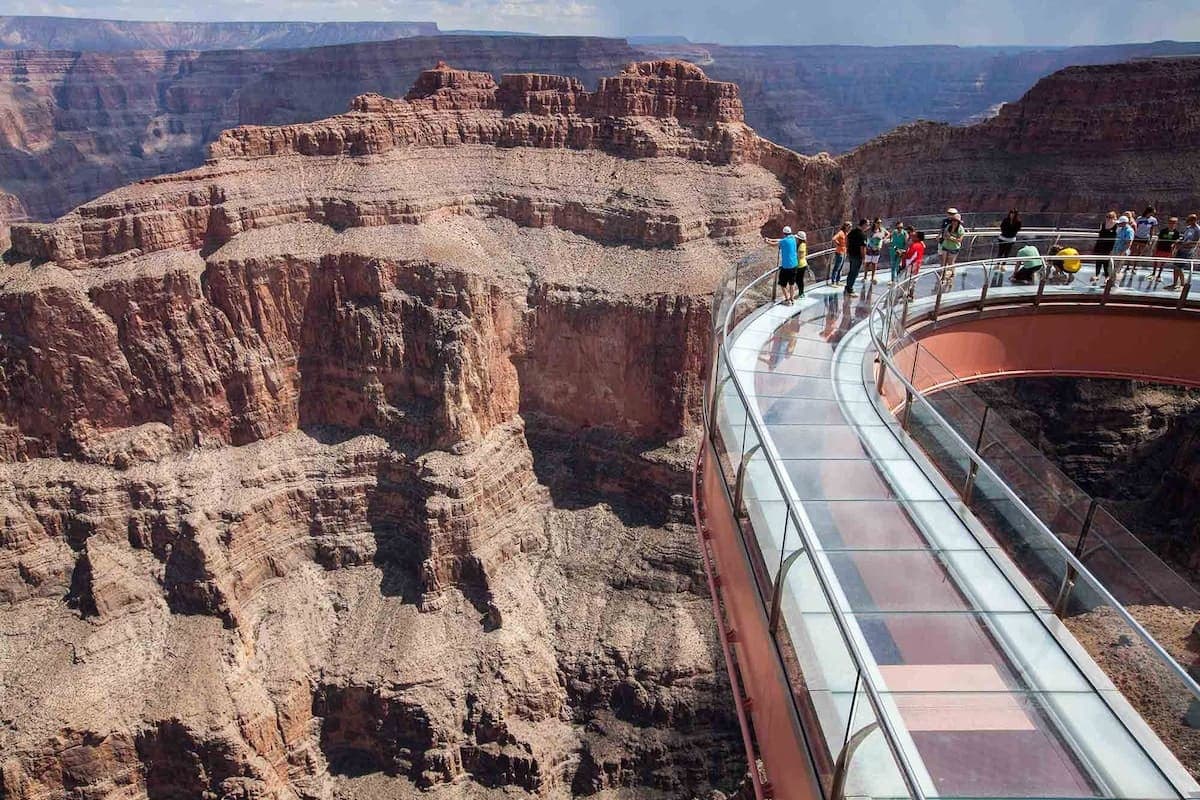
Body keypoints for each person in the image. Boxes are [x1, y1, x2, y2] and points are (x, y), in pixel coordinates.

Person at [764, 225, 799, 305]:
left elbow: (774, 244)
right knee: (792, 284)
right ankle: (792, 299)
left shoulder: (784, 241)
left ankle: (787, 300)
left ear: (784, 233)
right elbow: (780, 240)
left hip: (787, 266)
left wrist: (767, 242)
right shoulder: (793, 238)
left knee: (782, 284)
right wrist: (770, 239)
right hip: (794, 265)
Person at [1168, 213, 1200, 291]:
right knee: (1176, 266)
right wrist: (1178, 241)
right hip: (1181, 248)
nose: (1188, 222)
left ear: (1194, 221)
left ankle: (1182, 284)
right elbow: (1183, 237)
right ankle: (1175, 283)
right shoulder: (1188, 228)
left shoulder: (1197, 229)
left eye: (1190, 220)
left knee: (1179, 267)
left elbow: (1195, 241)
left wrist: (1184, 244)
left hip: (1187, 250)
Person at [1151, 216, 1181, 285]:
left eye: (1174, 223)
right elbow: (1158, 240)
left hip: (1167, 249)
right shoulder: (1163, 231)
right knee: (1156, 261)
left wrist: (1174, 245)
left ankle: (1159, 275)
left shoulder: (1176, 233)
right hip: (1160, 248)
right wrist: (1155, 247)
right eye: (1171, 223)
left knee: (1163, 262)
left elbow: (1177, 240)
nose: (1172, 224)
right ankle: (1153, 273)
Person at [1091, 211, 1118, 284]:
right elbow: (1100, 235)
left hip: (1109, 246)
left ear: (1114, 218)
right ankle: (1097, 275)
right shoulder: (1103, 224)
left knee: (1106, 262)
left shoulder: (1116, 226)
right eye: (1107, 217)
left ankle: (1107, 276)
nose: (1108, 219)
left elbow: (1115, 237)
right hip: (1100, 245)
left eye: (1110, 217)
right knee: (1098, 260)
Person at [940, 213, 966, 285]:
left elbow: (959, 240)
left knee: (950, 262)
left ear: (958, 222)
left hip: (954, 248)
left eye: (955, 221)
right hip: (946, 246)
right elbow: (945, 235)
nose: (954, 222)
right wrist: (947, 237)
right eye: (953, 221)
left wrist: (951, 238)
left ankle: (951, 275)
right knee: (944, 261)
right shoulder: (949, 226)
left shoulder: (961, 229)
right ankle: (943, 276)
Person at [1129, 206, 1158, 272]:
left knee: (1139, 253)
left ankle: (1134, 267)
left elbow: (1152, 230)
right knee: (1133, 252)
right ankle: (1128, 265)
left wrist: (1150, 238)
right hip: (1137, 236)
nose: (1153, 214)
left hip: (1145, 238)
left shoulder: (1153, 220)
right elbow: (1135, 227)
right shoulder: (1140, 218)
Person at [845, 218, 868, 296]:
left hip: (851, 255)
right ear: (864, 225)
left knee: (851, 271)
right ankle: (850, 289)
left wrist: (848, 249)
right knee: (854, 272)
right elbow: (863, 248)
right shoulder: (862, 235)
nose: (868, 226)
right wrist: (864, 258)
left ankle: (848, 287)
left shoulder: (852, 232)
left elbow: (847, 239)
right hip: (857, 256)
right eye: (867, 224)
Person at [1112, 214, 1135, 279]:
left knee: (1118, 267)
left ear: (1124, 223)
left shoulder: (1129, 231)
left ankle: (1114, 281)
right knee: (1113, 266)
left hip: (1122, 251)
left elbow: (1129, 243)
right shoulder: (1121, 229)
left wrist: (1123, 252)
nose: (1118, 224)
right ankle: (1111, 280)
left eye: (1120, 223)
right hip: (1117, 249)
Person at [865, 218, 885, 284]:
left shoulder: (881, 230)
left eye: (880, 222)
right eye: (878, 222)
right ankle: (865, 276)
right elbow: (865, 233)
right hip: (870, 248)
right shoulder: (870, 229)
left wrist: (883, 239)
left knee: (874, 263)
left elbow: (888, 234)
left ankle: (872, 277)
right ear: (875, 223)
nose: (879, 224)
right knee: (867, 263)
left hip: (877, 248)